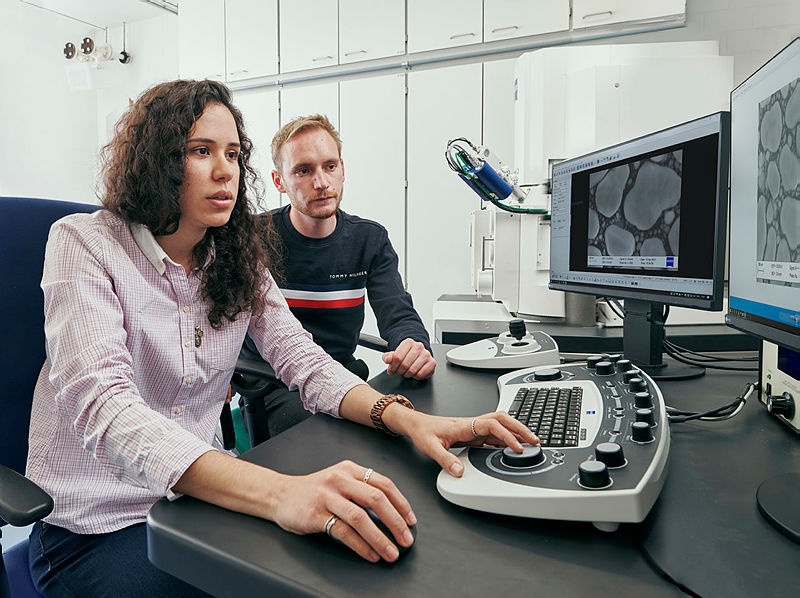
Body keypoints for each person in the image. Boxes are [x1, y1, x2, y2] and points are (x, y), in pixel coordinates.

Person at [25, 79, 538, 596]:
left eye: (232, 153)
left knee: (334, 571)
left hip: (195, 504)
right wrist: (281, 494)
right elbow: (107, 407)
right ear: (155, 160)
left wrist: (412, 421)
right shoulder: (84, 242)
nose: (225, 170)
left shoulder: (236, 255)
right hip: (96, 524)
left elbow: (303, 360)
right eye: (200, 151)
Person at [238, 114, 436, 438]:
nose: (321, 182)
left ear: (342, 169)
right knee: (352, 439)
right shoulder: (253, 238)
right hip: (274, 386)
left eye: (329, 166)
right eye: (304, 170)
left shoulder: (369, 239)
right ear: (279, 181)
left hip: (343, 375)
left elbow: (397, 312)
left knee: (408, 425)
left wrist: (412, 345)